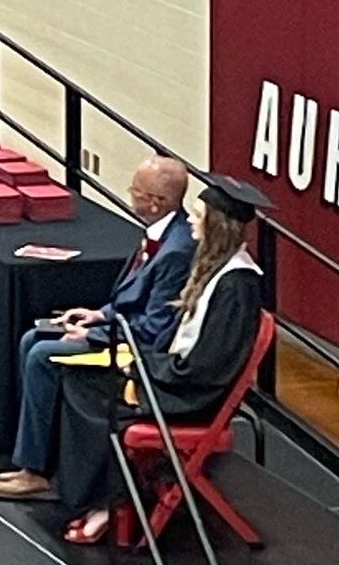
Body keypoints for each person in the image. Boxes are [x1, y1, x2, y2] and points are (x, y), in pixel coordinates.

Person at [51, 174, 268, 544]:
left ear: (216, 225)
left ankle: (106, 504)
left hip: (192, 395)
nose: (191, 222)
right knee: (81, 375)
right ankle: (107, 497)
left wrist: (139, 366)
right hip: (179, 375)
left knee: (86, 390)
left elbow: (204, 368)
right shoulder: (217, 268)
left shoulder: (237, 285)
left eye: (199, 216)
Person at [0, 155, 195, 502]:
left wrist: (93, 336)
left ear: (156, 203)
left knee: (43, 355)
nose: (131, 195)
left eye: (136, 191)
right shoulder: (158, 234)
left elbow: (155, 326)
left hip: (139, 349)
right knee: (31, 339)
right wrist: (98, 315)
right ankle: (36, 455)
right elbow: (133, 299)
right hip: (117, 329)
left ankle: (35, 472)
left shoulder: (176, 250)